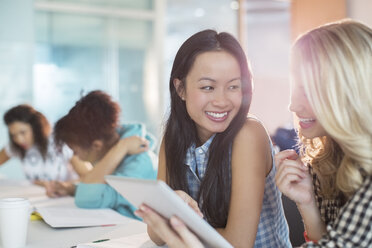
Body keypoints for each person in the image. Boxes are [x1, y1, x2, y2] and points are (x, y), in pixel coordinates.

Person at [136, 30, 291, 247]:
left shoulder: (248, 134)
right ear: (180, 88)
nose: (221, 101)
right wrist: (172, 214)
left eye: (233, 87)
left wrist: (178, 219)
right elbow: (156, 233)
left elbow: (238, 244)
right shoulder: (173, 138)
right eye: (208, 87)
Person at [275, 19, 372, 247]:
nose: (293, 105)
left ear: (349, 92)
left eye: (307, 90)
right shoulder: (330, 158)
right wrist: (307, 203)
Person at [53, 90, 157, 219]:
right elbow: (105, 187)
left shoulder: (140, 162)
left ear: (96, 146)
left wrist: (122, 147)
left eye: (75, 151)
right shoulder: (108, 148)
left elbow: (87, 199)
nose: (75, 156)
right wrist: (72, 189)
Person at [0, 104, 91, 196]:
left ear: (36, 128)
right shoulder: (16, 146)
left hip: (67, 197)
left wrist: (63, 186)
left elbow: (91, 176)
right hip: (38, 196)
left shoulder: (60, 141)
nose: (19, 140)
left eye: (23, 132)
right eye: (13, 135)